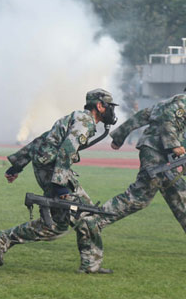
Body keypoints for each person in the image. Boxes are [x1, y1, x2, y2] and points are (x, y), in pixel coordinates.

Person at [0, 89, 118, 273]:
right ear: (99, 106)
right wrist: (61, 188)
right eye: (109, 107)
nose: (111, 112)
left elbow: (42, 140)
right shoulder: (84, 122)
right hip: (55, 172)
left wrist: (17, 166)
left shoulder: (77, 117)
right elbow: (66, 151)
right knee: (88, 215)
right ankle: (90, 264)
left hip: (50, 169)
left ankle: (7, 237)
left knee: (56, 225)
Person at [78, 92, 186, 273]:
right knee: (139, 198)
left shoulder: (170, 101)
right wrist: (174, 145)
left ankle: (95, 221)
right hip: (158, 155)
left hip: (158, 153)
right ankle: (94, 221)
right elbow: (169, 120)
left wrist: (119, 135)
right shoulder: (181, 102)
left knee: (180, 198)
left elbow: (142, 115)